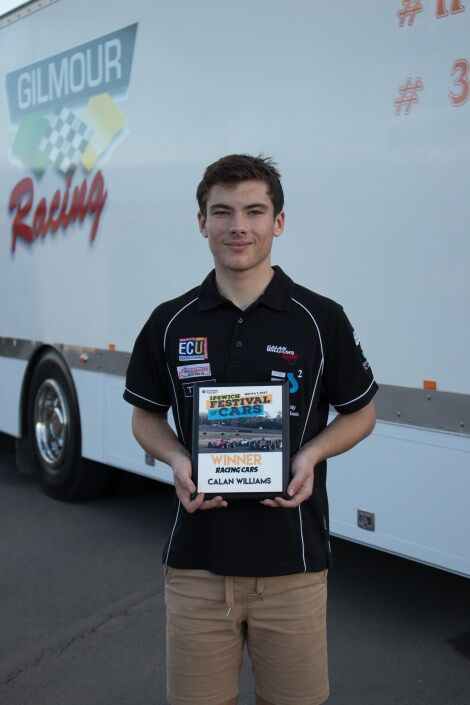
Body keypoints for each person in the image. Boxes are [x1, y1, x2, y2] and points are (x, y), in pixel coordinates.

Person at [123, 154, 378, 705]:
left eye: (254, 211)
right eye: (223, 212)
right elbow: (145, 416)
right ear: (202, 221)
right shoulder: (170, 320)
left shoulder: (319, 318)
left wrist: (310, 454)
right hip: (195, 568)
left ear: (278, 222)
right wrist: (176, 459)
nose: (238, 226)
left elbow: (362, 412)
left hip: (294, 567)